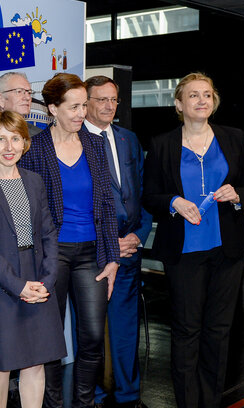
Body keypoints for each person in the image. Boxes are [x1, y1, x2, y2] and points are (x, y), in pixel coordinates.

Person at [142, 72, 244, 408]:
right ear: (179, 104)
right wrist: (173, 201)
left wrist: (238, 195)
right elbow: (150, 196)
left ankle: (211, 401)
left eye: (207, 94)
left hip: (227, 250)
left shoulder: (233, 138)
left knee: (218, 332)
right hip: (184, 251)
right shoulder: (161, 144)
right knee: (187, 332)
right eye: (193, 95)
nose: (202, 100)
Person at [18, 72, 120, 408]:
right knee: (49, 341)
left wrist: (112, 258)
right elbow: (25, 210)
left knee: (91, 337)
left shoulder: (95, 144)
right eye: (74, 106)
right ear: (52, 108)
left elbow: (106, 203)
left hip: (91, 254)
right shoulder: (34, 148)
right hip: (52, 255)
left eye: (83, 106)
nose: (82, 113)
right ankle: (53, 404)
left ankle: (84, 403)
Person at [0, 110, 65, 408]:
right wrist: (17, 285)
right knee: (2, 361)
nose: (9, 147)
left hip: (38, 278)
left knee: (35, 361)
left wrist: (46, 281)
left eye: (16, 139)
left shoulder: (34, 181)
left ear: (25, 143)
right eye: (1, 139)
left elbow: (48, 232)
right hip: (0, 282)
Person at [84, 75, 152, 408]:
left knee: (126, 331)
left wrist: (139, 236)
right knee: (91, 333)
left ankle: (129, 396)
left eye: (114, 100)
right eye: (102, 100)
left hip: (129, 251)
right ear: (86, 103)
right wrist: (110, 240)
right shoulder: (73, 141)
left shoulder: (128, 139)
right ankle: (93, 397)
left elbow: (143, 195)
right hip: (93, 253)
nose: (109, 106)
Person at [0, 72, 42, 137]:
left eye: (29, 93)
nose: (28, 98)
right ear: (1, 99)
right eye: (19, 91)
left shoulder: (39, 135)